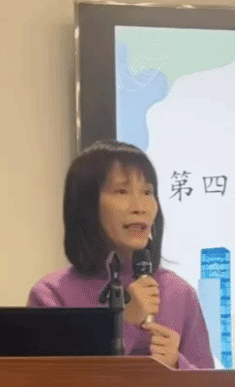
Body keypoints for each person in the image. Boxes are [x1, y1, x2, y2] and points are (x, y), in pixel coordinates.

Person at [27, 141, 214, 370]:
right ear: (87, 205)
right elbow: (55, 383)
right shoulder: (52, 295)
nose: (140, 207)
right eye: (122, 191)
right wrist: (124, 325)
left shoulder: (179, 293)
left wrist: (177, 364)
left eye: (147, 192)